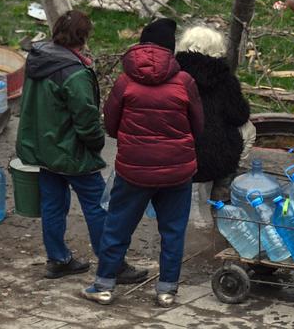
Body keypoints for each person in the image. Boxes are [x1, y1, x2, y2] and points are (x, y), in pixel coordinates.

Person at [16, 10, 147, 283]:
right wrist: (96, 143)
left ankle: (58, 259)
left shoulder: (38, 59)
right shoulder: (74, 73)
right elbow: (86, 119)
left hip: (44, 149)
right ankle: (112, 265)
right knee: (98, 206)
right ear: (83, 37)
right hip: (73, 153)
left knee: (52, 205)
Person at [83, 18, 204, 308]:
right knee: (173, 231)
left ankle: (103, 286)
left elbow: (110, 125)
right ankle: (166, 291)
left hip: (133, 169)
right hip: (177, 171)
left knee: (118, 227)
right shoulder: (185, 81)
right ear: (171, 50)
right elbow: (197, 126)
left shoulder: (125, 81)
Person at [174, 25, 253, 202]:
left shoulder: (172, 74)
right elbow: (239, 115)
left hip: (178, 156)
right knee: (249, 129)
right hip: (216, 159)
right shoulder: (224, 79)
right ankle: (223, 186)